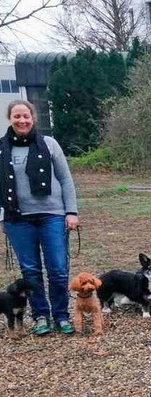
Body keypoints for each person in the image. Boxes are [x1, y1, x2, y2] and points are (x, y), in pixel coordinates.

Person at [0, 100, 79, 335]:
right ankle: (40, 315)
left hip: (52, 215)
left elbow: (66, 180)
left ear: (33, 118)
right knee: (31, 272)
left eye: (26, 116)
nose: (22, 120)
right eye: (17, 116)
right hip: (17, 219)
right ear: (10, 118)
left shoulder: (49, 144)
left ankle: (61, 315)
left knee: (58, 269)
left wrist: (71, 211)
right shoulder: (2, 148)